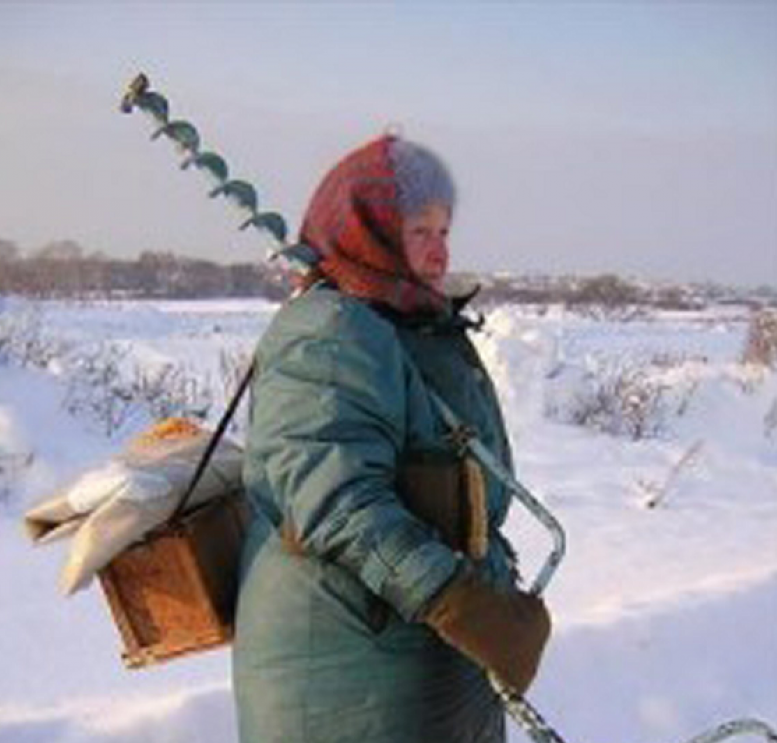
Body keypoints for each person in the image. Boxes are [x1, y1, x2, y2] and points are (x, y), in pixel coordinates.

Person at [234, 135, 550, 743]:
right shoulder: (330, 330)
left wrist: (490, 584)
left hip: (416, 661)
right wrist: (461, 602)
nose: (439, 251)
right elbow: (332, 497)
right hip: (345, 671)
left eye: (444, 231)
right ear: (368, 230)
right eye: (419, 231)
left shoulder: (409, 325)